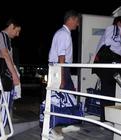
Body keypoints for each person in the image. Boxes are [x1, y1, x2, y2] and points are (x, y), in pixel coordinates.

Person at [0, 18, 21, 140]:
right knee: (3, 105)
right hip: (2, 78)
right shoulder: (3, 36)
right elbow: (5, 55)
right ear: (12, 26)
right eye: (17, 31)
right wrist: (15, 75)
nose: (17, 35)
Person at [48, 10, 80, 140]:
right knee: (59, 99)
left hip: (61, 68)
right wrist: (61, 77)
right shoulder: (63, 34)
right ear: (71, 19)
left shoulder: (64, 33)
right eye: (77, 21)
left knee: (69, 96)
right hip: (59, 68)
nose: (77, 24)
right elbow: (61, 57)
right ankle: (53, 130)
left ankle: (64, 124)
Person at [92, 16, 121, 122]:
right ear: (120, 22)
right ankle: (106, 120)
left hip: (108, 66)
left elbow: (112, 43)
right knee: (108, 93)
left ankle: (107, 119)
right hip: (108, 66)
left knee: (109, 92)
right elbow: (109, 42)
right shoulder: (113, 28)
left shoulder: (118, 33)